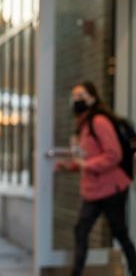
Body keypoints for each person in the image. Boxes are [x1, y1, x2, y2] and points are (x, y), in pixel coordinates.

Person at [55, 81, 136, 276]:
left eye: (81, 96)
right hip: (93, 190)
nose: (77, 100)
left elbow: (113, 154)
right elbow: (88, 157)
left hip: (111, 188)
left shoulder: (99, 121)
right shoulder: (84, 124)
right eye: (74, 96)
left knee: (119, 231)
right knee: (81, 229)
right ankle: (77, 272)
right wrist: (71, 166)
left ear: (92, 97)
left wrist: (86, 165)